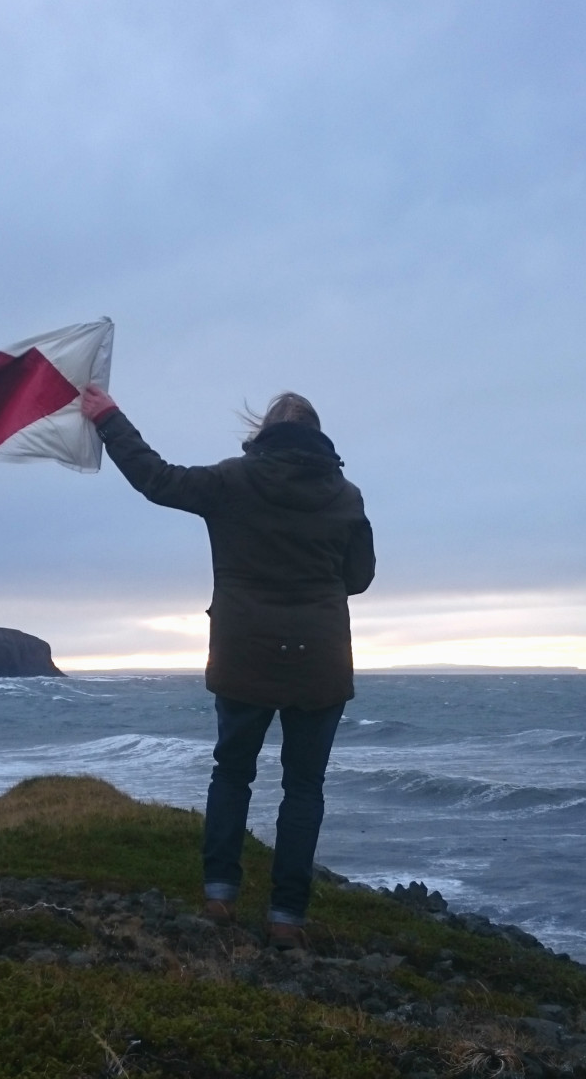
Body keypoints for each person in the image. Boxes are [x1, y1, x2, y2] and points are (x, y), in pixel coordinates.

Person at [79, 384, 375, 948]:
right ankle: (287, 916)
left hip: (244, 652)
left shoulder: (232, 481)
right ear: (317, 438)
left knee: (232, 773)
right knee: (304, 788)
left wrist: (108, 417)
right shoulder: (346, 495)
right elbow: (358, 578)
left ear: (262, 432)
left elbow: (155, 478)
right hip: (320, 659)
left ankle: (220, 895)